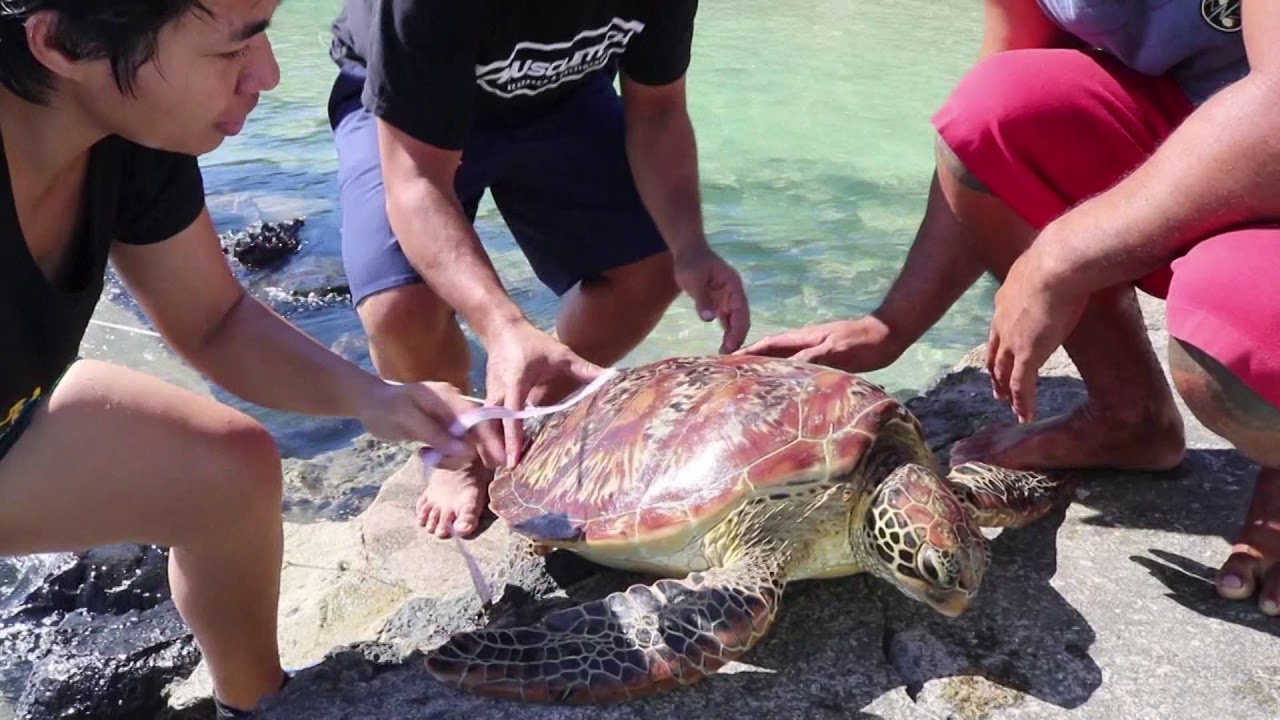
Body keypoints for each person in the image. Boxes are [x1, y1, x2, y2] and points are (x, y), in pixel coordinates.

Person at [0, 1, 503, 717]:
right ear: (60, 42)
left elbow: (215, 319)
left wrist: (381, 399)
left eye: (263, 35)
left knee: (229, 474)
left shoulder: (128, 132)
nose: (265, 75)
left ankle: (257, 705)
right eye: (230, 51)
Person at [742, 0, 1280, 617]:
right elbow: (982, 144)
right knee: (995, 107)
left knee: (1240, 345)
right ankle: (1129, 415)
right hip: (1191, 144)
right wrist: (891, 324)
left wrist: (1061, 254)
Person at [324, 0, 751, 540]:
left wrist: (690, 247)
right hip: (406, 104)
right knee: (398, 310)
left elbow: (660, 109)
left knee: (653, 265)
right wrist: (501, 324)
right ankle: (456, 447)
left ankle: (525, 419)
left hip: (560, 95)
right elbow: (415, 181)